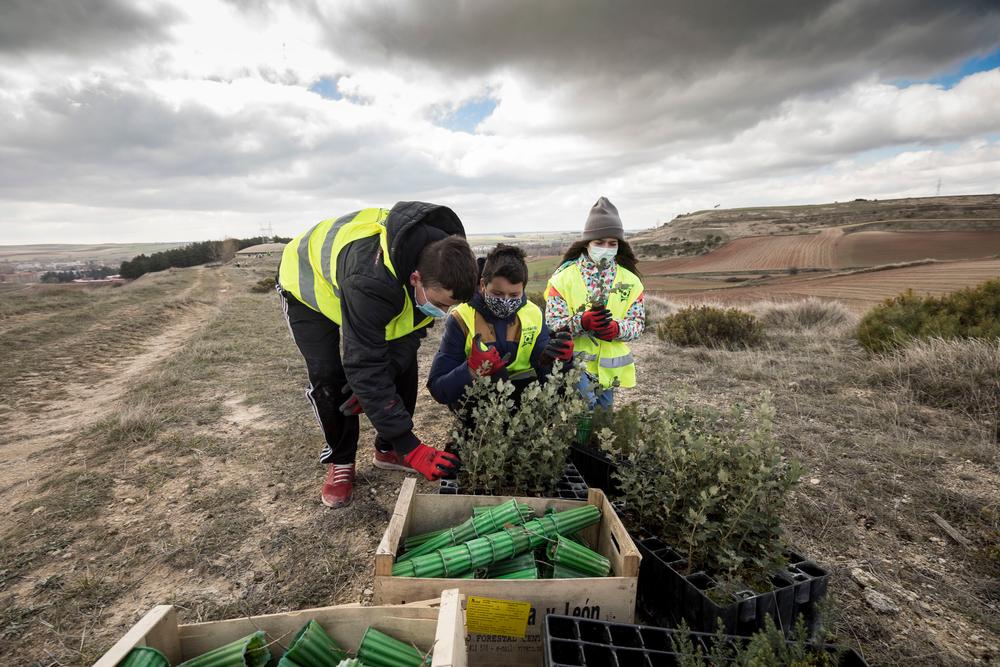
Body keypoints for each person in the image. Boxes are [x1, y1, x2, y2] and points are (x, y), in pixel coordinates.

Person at [276, 202, 479, 509]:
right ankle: (342, 461)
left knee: (401, 358)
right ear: (415, 279)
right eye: (440, 304)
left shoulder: (441, 263)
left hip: (362, 286)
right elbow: (364, 363)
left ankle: (388, 449)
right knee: (330, 375)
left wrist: (379, 391)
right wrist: (412, 446)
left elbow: (409, 334)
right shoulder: (371, 280)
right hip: (308, 288)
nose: (444, 313)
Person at [427, 244, 574, 414]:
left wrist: (562, 361)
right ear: (483, 285)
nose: (505, 301)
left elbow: (547, 376)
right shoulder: (461, 317)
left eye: (514, 296)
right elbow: (438, 388)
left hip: (524, 409)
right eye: (497, 294)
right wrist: (470, 370)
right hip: (477, 412)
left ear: (523, 289)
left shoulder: (533, 314)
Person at [544, 197, 645, 408]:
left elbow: (637, 324)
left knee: (603, 421)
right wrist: (582, 322)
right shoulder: (562, 278)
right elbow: (552, 324)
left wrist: (616, 329)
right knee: (585, 409)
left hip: (608, 372)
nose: (606, 248)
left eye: (612, 243)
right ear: (587, 243)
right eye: (599, 242)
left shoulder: (631, 281)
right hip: (574, 364)